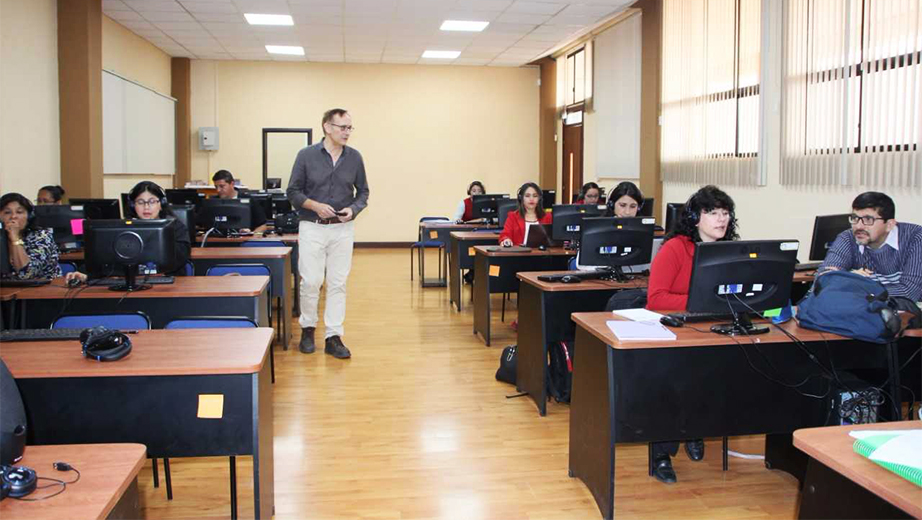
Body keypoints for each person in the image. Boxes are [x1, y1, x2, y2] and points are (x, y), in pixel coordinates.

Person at [645, 185, 740, 484]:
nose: (721, 219)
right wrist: (701, 302)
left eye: (725, 213)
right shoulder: (675, 248)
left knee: (723, 376)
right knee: (674, 382)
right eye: (712, 213)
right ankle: (661, 453)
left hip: (715, 331)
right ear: (695, 218)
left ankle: (695, 430)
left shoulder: (731, 248)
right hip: (676, 333)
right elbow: (656, 298)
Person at [287, 108, 369, 359]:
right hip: (312, 227)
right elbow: (293, 191)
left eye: (349, 128)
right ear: (327, 127)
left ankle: (333, 336)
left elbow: (363, 193)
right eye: (342, 127)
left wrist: (353, 209)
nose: (347, 132)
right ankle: (308, 329)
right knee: (311, 281)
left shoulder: (354, 158)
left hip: (342, 229)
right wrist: (314, 205)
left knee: (338, 283)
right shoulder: (306, 156)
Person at [65, 181, 191, 283]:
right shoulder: (123, 228)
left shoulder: (175, 227)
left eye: (152, 201)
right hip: (128, 283)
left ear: (161, 204)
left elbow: (178, 259)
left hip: (166, 283)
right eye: (140, 202)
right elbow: (103, 255)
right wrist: (84, 273)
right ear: (132, 205)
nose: (146, 207)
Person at [820, 191, 922, 301]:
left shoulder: (915, 238)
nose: (858, 226)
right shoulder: (847, 238)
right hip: (864, 311)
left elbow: (909, 292)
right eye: (855, 218)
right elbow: (824, 279)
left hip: (908, 314)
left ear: (889, 225)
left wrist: (855, 285)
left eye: (868, 219)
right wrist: (850, 280)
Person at [0, 193, 62, 279]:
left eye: (19, 212)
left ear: (29, 216)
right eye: (7, 212)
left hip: (43, 289)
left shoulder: (41, 237)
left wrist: (15, 238)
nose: (13, 216)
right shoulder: (2, 237)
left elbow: (26, 274)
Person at [212, 169, 268, 234]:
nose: (218, 190)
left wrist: (252, 234)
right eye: (216, 187)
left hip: (243, 241)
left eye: (222, 186)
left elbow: (263, 226)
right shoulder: (213, 202)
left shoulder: (249, 200)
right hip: (218, 239)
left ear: (232, 184)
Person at [499, 182, 552, 247]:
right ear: (521, 198)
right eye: (527, 196)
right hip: (520, 255)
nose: (531, 199)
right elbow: (505, 235)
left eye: (535, 196)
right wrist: (506, 240)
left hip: (543, 254)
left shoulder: (548, 216)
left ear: (539, 199)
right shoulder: (513, 217)